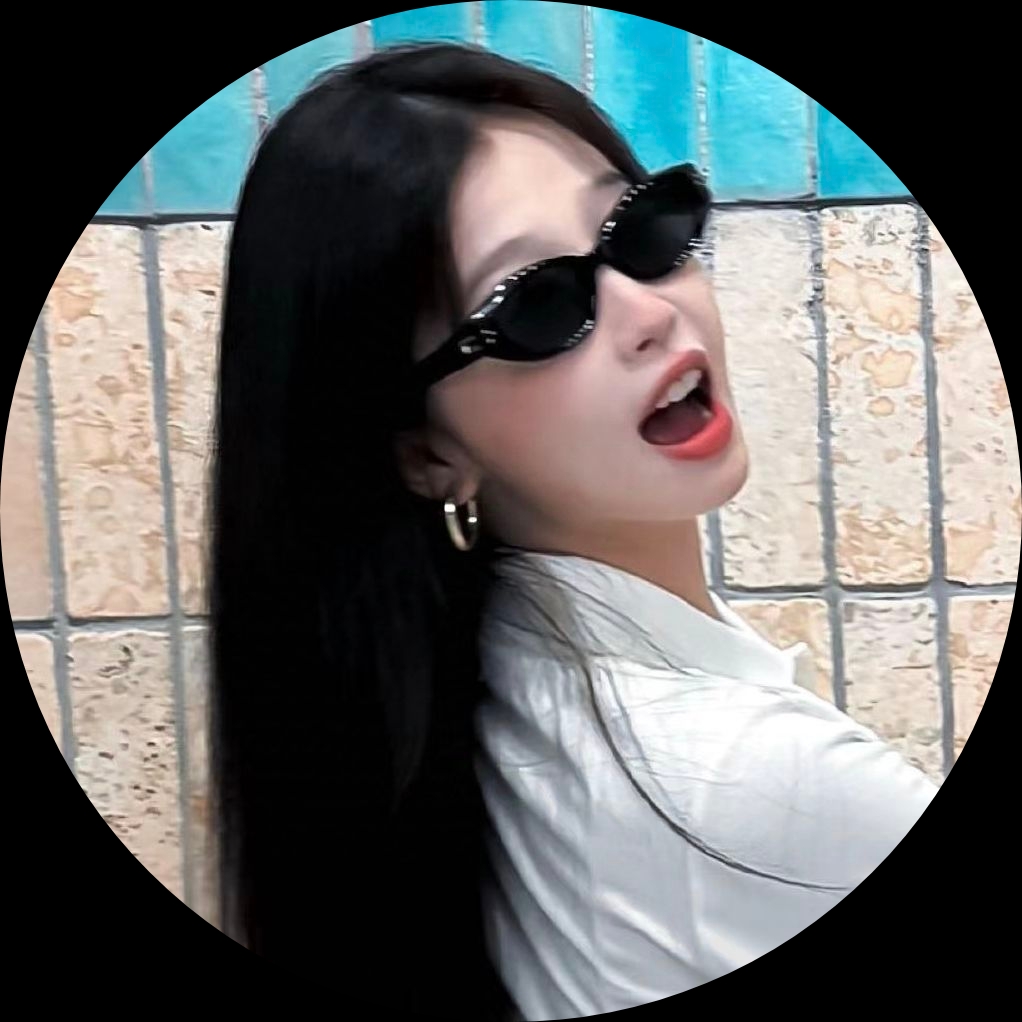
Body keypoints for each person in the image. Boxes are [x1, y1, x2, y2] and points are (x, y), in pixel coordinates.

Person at [206, 40, 939, 1022]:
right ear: (423, 452)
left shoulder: (458, 710)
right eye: (539, 305)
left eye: (641, 232)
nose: (646, 312)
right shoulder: (756, 777)